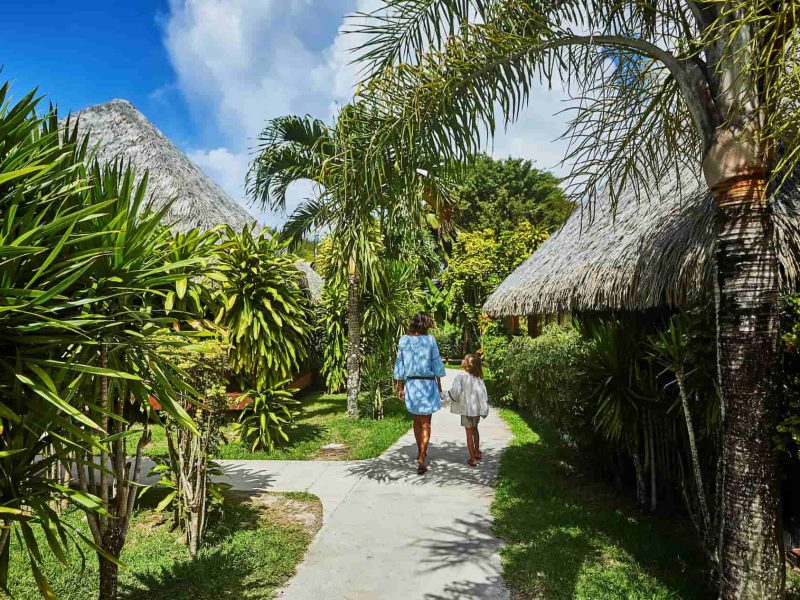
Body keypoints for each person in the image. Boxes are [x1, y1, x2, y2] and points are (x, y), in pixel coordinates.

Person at [394, 312, 446, 474]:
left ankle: (421, 452)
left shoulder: (404, 340)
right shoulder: (430, 340)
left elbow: (399, 364)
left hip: (413, 384)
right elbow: (436, 362)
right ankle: (422, 454)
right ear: (425, 325)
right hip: (427, 383)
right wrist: (439, 384)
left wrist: (400, 386)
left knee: (417, 422)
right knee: (425, 423)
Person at [447, 354, 489, 467]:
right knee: (475, 430)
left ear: (468, 365)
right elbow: (484, 395)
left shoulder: (460, 377)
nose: (462, 360)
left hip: (466, 410)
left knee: (468, 434)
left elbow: (455, 393)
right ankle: (477, 452)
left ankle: (472, 459)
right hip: (476, 410)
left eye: (464, 359)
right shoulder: (479, 378)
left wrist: (445, 395)